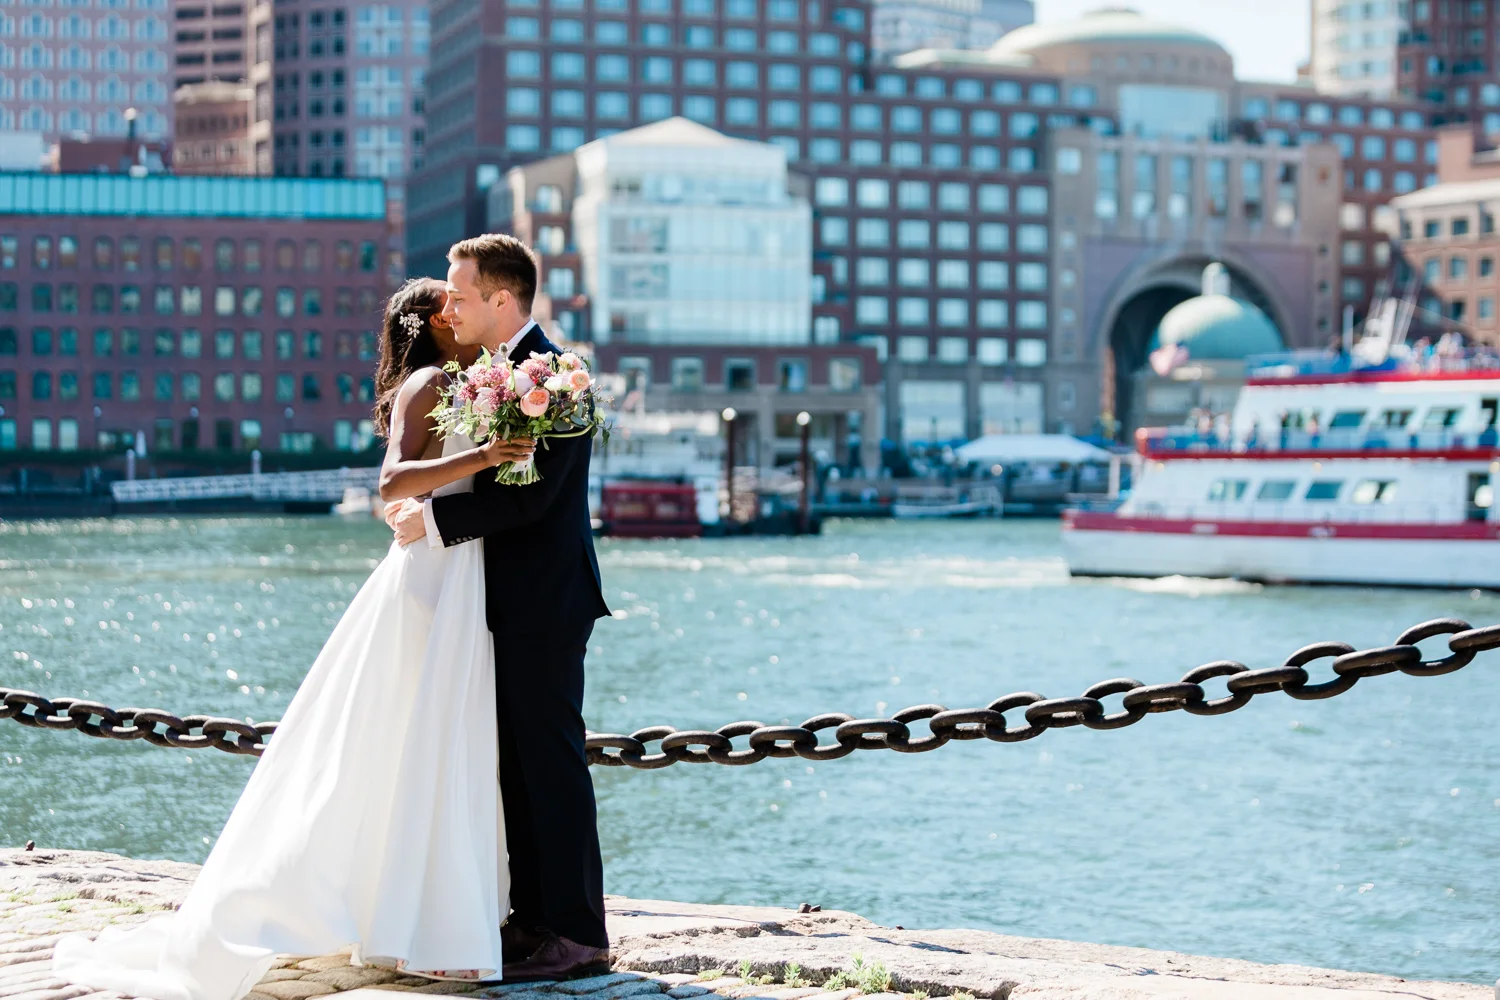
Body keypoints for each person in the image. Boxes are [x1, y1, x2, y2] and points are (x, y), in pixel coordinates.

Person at [52, 277, 537, 1000]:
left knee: (427, 746)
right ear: (438, 318)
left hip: (455, 571)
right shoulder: (430, 381)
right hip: (428, 584)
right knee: (409, 738)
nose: (467, 310)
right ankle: (379, 913)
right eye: (456, 302)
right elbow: (392, 482)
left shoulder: (463, 381)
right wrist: (484, 457)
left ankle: (421, 916)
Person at [386, 234, 613, 982]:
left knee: (549, 763)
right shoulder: (490, 374)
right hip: (492, 601)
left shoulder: (559, 377)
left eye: (459, 294)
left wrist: (435, 523)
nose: (445, 306)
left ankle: (578, 934)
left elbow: (538, 498)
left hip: (545, 600)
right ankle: (533, 919)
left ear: (502, 301)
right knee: (512, 766)